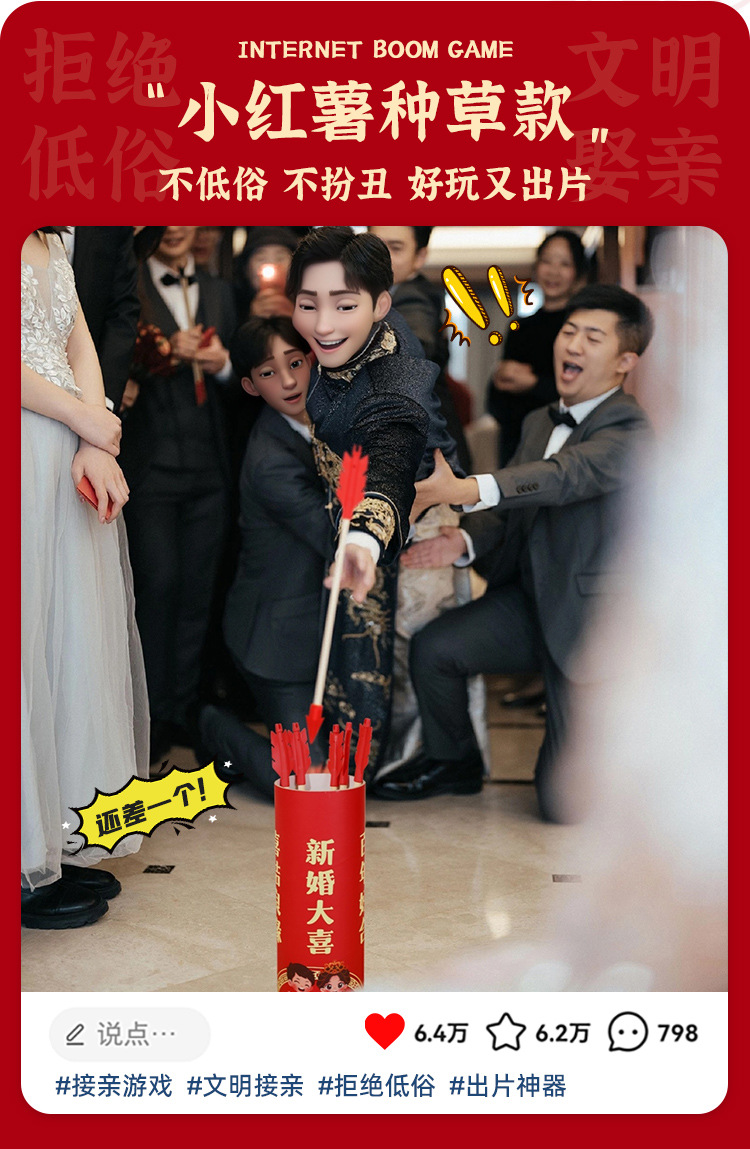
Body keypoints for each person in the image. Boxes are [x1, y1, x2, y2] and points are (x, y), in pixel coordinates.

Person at [372, 285, 654, 822]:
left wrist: (465, 489)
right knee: (436, 649)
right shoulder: (539, 421)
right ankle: (455, 762)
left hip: (587, 622)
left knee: (563, 806)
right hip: (527, 601)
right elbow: (514, 512)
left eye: (593, 337)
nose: (573, 344)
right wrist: (463, 540)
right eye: (569, 331)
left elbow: (562, 477)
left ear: (625, 361)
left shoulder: (630, 428)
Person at [287, 226, 461, 768]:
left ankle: (382, 765)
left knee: (390, 644)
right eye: (308, 305)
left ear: (381, 305)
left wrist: (363, 538)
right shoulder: (342, 337)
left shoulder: (397, 373)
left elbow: (393, 454)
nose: (323, 324)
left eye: (344, 306)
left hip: (408, 509)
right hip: (348, 506)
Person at [21, 228, 149, 928]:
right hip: (21, 449)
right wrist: (84, 420)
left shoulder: (49, 239)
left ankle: (50, 837)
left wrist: (94, 436)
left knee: (65, 644)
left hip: (61, 446)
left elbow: (79, 342)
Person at [119, 225, 237, 762]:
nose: (174, 227)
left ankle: (184, 706)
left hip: (211, 467)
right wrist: (160, 354)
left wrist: (224, 364)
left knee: (197, 593)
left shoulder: (219, 291)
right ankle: (151, 713)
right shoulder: (127, 283)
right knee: (158, 587)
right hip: (151, 468)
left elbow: (250, 374)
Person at [198, 316, 329, 796]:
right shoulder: (270, 460)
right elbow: (336, 536)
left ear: (313, 359)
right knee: (307, 783)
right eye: (269, 373)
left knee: (366, 764)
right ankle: (212, 726)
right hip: (278, 638)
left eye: (295, 363)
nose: (289, 381)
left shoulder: (339, 419)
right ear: (251, 386)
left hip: (330, 626)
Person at [369, 225, 472, 472]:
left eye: (395, 248)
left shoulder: (414, 296)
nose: (381, 258)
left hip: (427, 458)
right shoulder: (378, 297)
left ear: (419, 257)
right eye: (375, 246)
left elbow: (413, 348)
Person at [488, 230, 589, 466]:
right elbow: (496, 404)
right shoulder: (520, 328)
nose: (553, 271)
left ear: (579, 273)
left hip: (564, 445)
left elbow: (586, 392)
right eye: (547, 261)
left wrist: (533, 383)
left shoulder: (583, 328)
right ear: (536, 267)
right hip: (518, 444)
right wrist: (498, 379)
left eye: (564, 263)